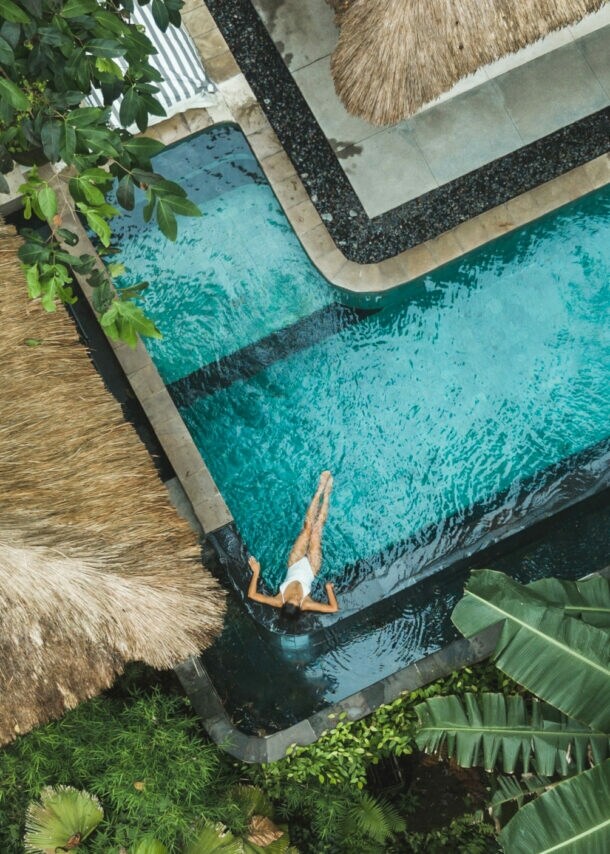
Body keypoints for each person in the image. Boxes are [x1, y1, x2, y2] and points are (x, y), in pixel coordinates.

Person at [247, 470, 339, 618]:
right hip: (311, 568)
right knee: (316, 531)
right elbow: (333, 608)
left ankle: (320, 489)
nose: (296, 598)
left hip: (294, 563)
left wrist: (256, 571)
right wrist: (328, 589)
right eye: (297, 601)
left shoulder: (278, 601)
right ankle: (327, 493)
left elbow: (251, 594)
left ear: (284, 604)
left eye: (292, 600)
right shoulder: (306, 604)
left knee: (307, 528)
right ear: (300, 607)